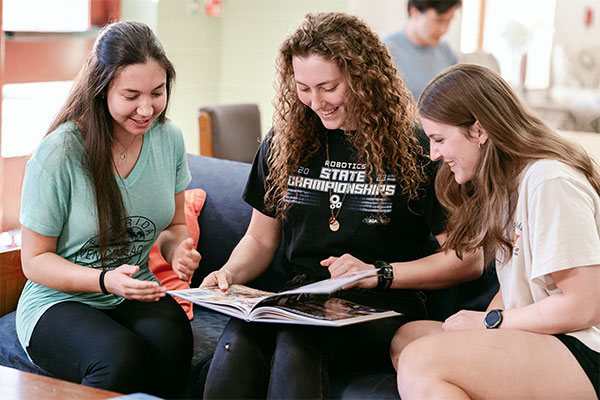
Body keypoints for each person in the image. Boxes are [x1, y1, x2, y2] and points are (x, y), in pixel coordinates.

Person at [201, 12, 483, 399]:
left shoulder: (420, 149)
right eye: (303, 88)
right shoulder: (284, 142)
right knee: (238, 340)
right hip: (300, 299)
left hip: (383, 305)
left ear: (363, 78)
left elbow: (468, 259)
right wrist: (228, 275)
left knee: (299, 344)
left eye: (328, 87)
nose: (315, 102)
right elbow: (260, 240)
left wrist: (378, 273)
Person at [391, 63, 600, 399]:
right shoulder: (506, 186)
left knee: (422, 359)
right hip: (537, 338)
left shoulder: (549, 181)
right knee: (409, 337)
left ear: (479, 131)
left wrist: (490, 324)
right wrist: (486, 323)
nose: (432, 155)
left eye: (440, 139)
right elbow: (516, 288)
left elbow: (584, 306)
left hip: (583, 349)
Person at [16, 21, 200, 398]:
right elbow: (35, 261)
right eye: (131, 95)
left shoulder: (169, 140)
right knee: (118, 357)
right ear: (102, 90)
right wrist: (104, 280)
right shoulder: (59, 153)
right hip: (58, 300)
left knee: (175, 336)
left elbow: (175, 225)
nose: (146, 108)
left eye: (158, 92)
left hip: (132, 292)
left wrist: (177, 250)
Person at [384, 0, 461, 100]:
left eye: (449, 20)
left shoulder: (446, 52)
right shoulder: (386, 51)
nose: (444, 29)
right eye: (439, 20)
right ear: (414, 12)